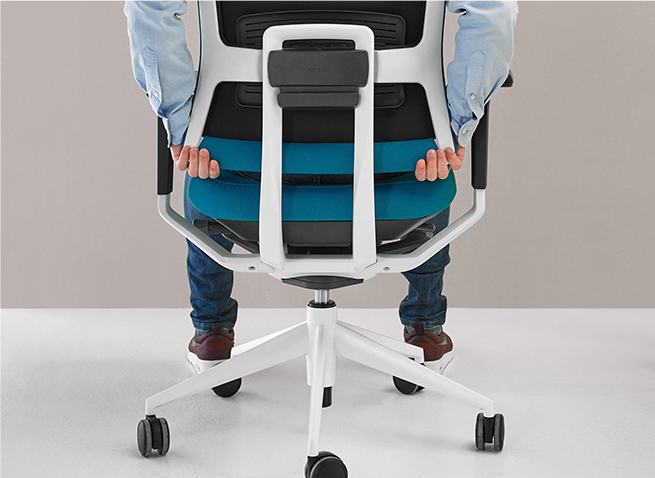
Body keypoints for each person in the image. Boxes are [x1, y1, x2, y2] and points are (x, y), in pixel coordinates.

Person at [125, 1, 517, 375]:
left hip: (248, 172)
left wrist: (183, 125)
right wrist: (456, 125)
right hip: (390, 171)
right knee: (431, 157)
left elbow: (149, 7)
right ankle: (426, 326)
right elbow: (492, 12)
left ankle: (210, 330)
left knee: (204, 158)